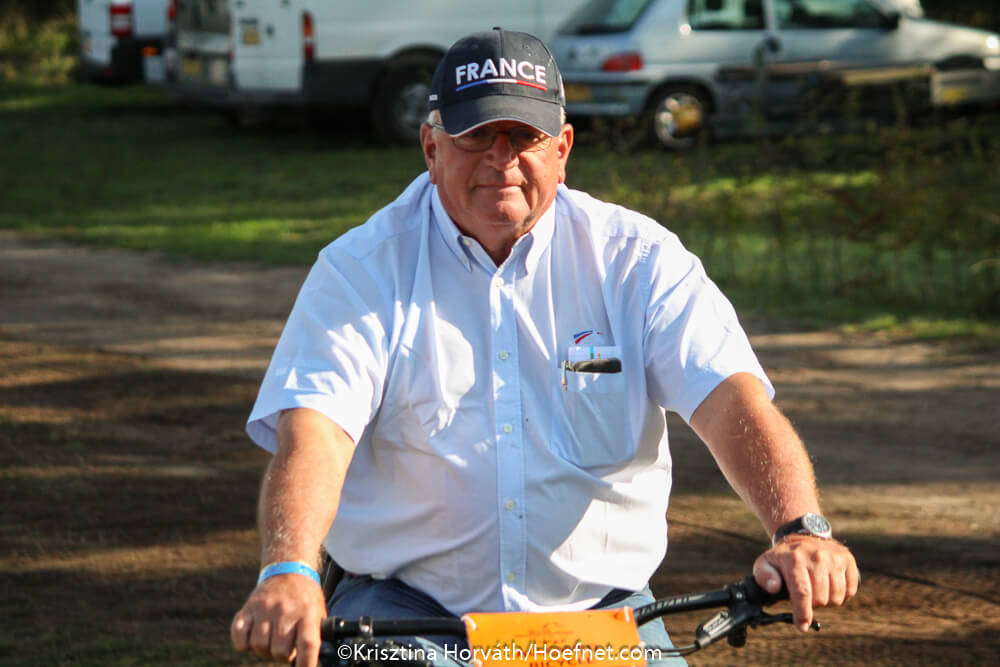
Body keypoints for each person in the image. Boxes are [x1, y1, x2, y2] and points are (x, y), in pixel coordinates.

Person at [230, 27, 859, 667]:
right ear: (431, 147)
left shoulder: (639, 260)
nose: (501, 158)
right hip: (406, 616)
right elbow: (317, 432)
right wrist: (289, 570)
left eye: (523, 137)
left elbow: (731, 401)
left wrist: (799, 529)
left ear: (562, 149)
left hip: (603, 616)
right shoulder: (361, 269)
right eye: (477, 135)